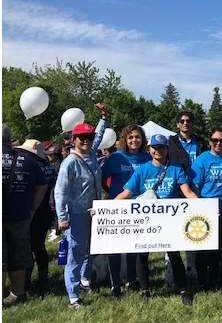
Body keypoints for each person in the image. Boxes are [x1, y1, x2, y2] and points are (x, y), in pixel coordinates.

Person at [114, 134, 199, 304]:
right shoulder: (143, 170)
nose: (158, 150)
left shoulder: (176, 169)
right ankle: (145, 290)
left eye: (161, 147)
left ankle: (183, 289)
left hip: (168, 221)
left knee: (174, 254)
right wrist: (103, 210)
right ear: (149, 149)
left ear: (167, 149)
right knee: (142, 254)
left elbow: (188, 193)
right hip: (146, 220)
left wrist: (207, 209)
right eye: (155, 147)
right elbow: (126, 194)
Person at [55, 105, 108, 309]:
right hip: (75, 214)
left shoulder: (92, 154)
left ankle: (85, 282)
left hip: (94, 213)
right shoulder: (69, 163)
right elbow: (60, 192)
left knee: (90, 249)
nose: (86, 140)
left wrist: (103, 118)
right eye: (82, 137)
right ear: (73, 140)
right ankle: (73, 297)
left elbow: (100, 134)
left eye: (89, 137)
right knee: (75, 255)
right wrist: (62, 219)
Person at [100, 124, 151, 297]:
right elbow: (101, 177)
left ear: (143, 139)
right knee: (114, 247)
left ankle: (132, 279)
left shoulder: (147, 158)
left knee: (134, 246)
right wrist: (111, 193)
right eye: (130, 137)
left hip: (139, 208)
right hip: (118, 206)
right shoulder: (116, 158)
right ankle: (115, 284)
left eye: (137, 137)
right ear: (125, 140)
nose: (134, 140)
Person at [2, 126, 47, 307]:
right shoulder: (28, 161)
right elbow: (42, 187)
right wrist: (31, 210)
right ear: (10, 138)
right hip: (21, 216)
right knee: (18, 256)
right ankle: (18, 292)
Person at [191, 127, 222, 291]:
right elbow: (195, 188)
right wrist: (202, 208)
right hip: (205, 212)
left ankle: (214, 278)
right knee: (204, 249)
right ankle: (202, 282)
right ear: (209, 141)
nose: (218, 143)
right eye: (214, 140)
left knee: (217, 248)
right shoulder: (202, 160)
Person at [167, 111, 206, 282]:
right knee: (171, 232)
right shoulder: (170, 143)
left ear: (193, 123)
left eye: (189, 121)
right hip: (175, 192)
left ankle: (191, 267)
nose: (185, 123)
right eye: (182, 121)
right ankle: (171, 269)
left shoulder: (201, 142)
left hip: (195, 190)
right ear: (177, 124)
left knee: (193, 229)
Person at [14, 140, 55, 290]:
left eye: (24, 152)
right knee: (39, 245)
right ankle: (43, 275)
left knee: (28, 246)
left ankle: (26, 280)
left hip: (34, 210)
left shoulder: (32, 168)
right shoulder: (49, 167)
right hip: (47, 211)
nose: (22, 154)